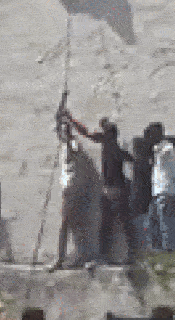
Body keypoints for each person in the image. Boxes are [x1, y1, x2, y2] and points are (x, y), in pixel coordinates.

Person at [67, 112, 137, 264]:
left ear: (109, 135)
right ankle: (125, 255)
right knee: (115, 225)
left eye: (105, 132)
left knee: (112, 226)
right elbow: (87, 134)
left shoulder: (110, 147)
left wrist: (72, 121)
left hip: (113, 192)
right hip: (115, 191)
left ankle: (117, 255)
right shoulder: (116, 149)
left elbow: (87, 134)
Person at [51, 123, 97, 270]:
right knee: (68, 224)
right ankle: (65, 257)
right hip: (68, 189)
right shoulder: (64, 146)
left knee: (71, 224)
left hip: (74, 189)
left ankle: (71, 257)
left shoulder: (72, 144)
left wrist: (71, 140)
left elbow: (77, 150)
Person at [148, 138, 175, 253]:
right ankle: (160, 247)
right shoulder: (172, 162)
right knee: (155, 220)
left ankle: (167, 249)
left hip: (164, 192)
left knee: (164, 222)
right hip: (162, 193)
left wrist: (159, 147)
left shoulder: (166, 153)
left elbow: (165, 150)